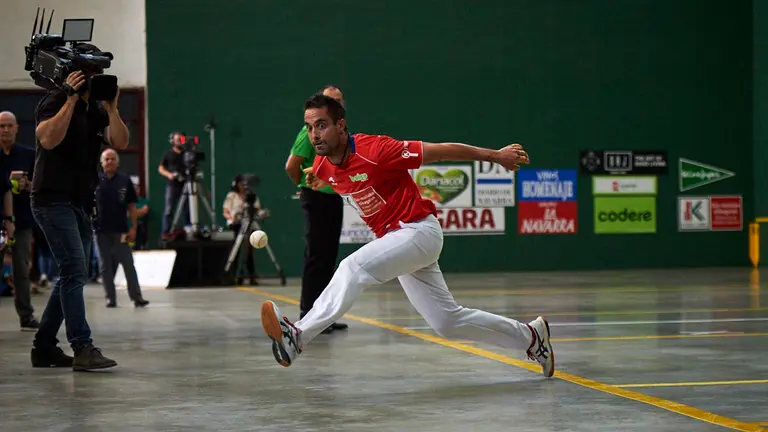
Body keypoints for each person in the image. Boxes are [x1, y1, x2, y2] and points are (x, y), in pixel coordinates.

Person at [260, 94, 555, 377]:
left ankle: (297, 336)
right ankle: (531, 337)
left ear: (340, 126)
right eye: (309, 127)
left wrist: (496, 156)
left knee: (352, 268)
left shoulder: (377, 150)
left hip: (418, 231)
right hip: (398, 242)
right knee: (447, 322)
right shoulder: (325, 164)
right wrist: (315, 175)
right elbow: (327, 173)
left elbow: (441, 150)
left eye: (321, 125)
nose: (314, 134)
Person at [30, 57, 130, 371]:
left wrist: (112, 108)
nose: (93, 79)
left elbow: (121, 141)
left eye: (98, 74)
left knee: (72, 274)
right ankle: (82, 347)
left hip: (80, 202)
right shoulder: (56, 100)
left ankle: (44, 347)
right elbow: (47, 138)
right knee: (73, 270)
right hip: (51, 199)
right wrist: (71, 99)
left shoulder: (96, 111)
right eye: (88, 74)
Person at [285, 85, 347, 333]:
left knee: (329, 257)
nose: (339, 103)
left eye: (341, 100)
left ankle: (324, 316)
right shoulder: (308, 133)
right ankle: (308, 313)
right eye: (333, 99)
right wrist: (305, 186)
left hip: (333, 198)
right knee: (316, 257)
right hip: (315, 198)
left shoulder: (340, 130)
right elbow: (292, 166)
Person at [94, 149, 149, 308]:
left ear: (117, 162)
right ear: (102, 163)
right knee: (105, 266)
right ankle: (110, 298)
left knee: (128, 264)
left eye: (112, 159)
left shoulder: (125, 180)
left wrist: (133, 228)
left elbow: (131, 206)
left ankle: (137, 297)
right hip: (100, 230)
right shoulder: (95, 180)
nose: (109, 162)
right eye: (106, 159)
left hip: (121, 230)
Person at [0, 110, 39, 331]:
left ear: (16, 128)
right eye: (1, 126)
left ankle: (26, 315)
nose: (5, 130)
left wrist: (28, 186)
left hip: (22, 220)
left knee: (21, 270)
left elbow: (40, 186)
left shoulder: (29, 155)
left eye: (9, 126)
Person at [223, 174, 270, 285]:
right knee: (236, 251)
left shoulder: (252, 197)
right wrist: (232, 217)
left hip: (249, 224)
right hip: (236, 225)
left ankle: (251, 275)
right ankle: (232, 275)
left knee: (249, 251)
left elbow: (256, 209)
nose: (244, 186)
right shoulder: (232, 196)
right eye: (241, 183)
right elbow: (226, 211)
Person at [158, 132, 189, 239]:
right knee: (169, 209)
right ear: (173, 141)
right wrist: (169, 175)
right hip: (173, 185)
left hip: (186, 184)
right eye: (178, 139)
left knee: (187, 209)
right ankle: (165, 232)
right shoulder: (168, 154)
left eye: (181, 139)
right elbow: (161, 168)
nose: (180, 141)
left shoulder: (187, 154)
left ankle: (188, 229)